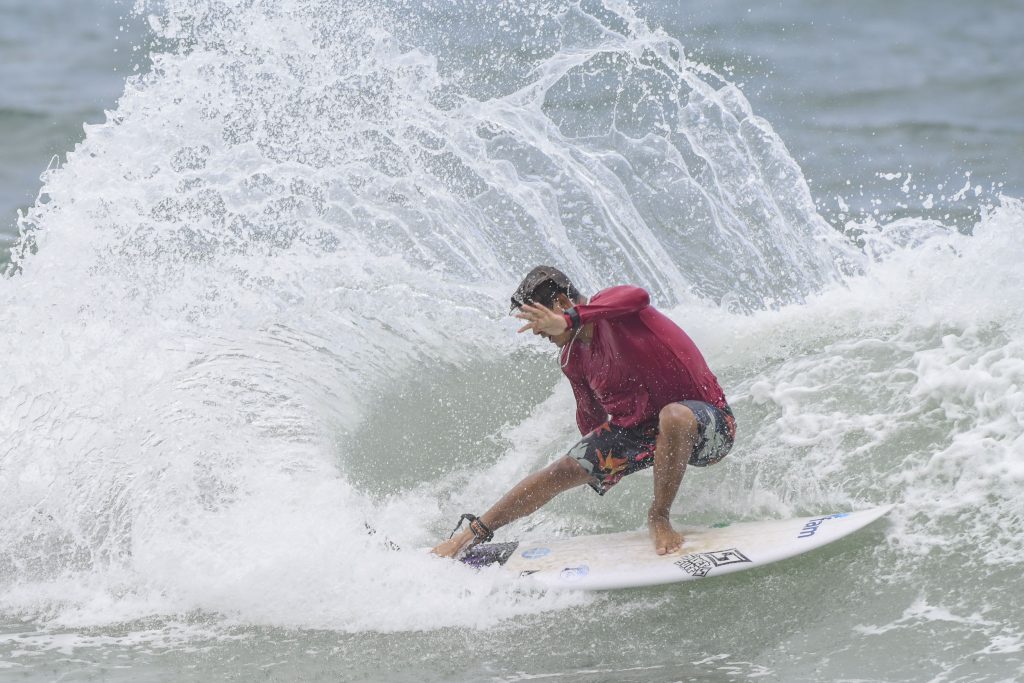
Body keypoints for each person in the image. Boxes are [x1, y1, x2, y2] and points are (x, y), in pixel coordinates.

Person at [431, 266, 736, 558]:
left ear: (562, 303)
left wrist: (569, 320)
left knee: (673, 415)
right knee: (562, 469)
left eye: (537, 318)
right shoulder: (572, 359)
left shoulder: (618, 312)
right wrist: (591, 464)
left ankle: (659, 517)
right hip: (642, 434)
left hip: (708, 427)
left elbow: (638, 295)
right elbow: (591, 420)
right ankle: (472, 534)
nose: (537, 331)